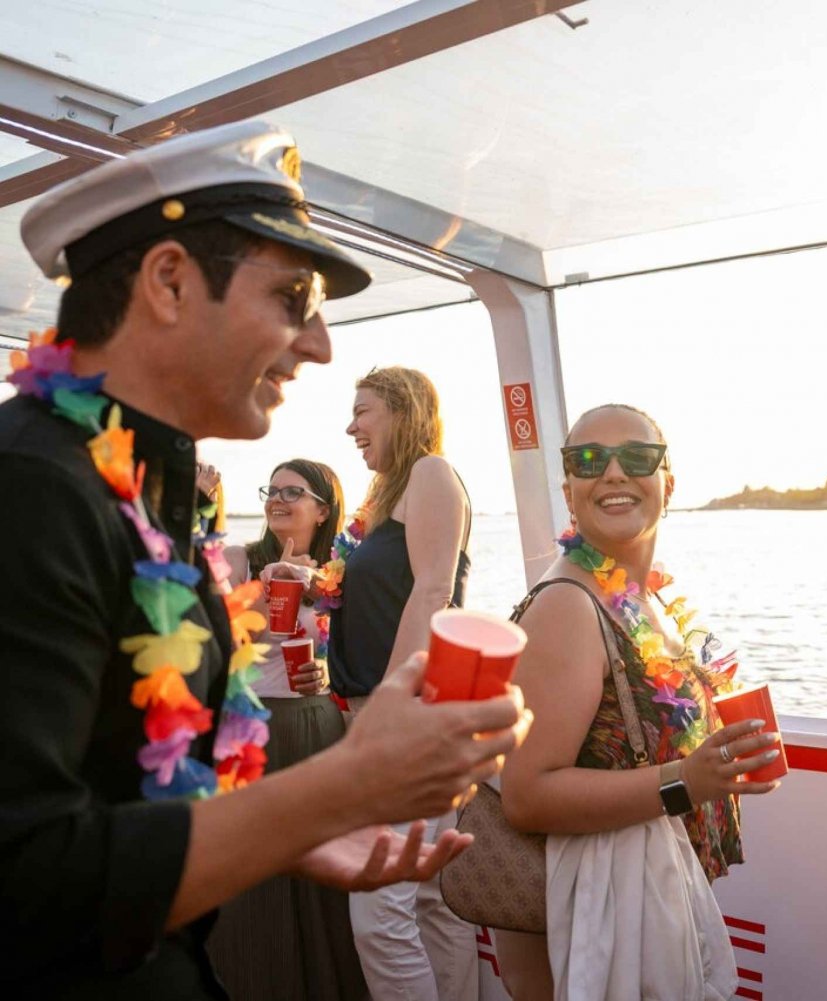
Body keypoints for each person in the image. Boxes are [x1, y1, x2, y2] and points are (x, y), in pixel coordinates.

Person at [0, 121, 528, 1000]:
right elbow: (24, 879)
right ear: (169, 281)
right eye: (293, 296)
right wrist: (335, 789)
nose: (318, 343)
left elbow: (124, 782)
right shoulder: (30, 488)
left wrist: (289, 832)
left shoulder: (140, 494)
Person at [494, 403, 781, 999]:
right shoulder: (569, 606)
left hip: (651, 899)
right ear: (570, 491)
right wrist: (686, 781)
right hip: (600, 923)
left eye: (638, 457)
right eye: (589, 461)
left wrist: (719, 766)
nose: (615, 473)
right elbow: (527, 795)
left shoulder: (639, 599)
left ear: (667, 484)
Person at [328, 366, 478, 1000]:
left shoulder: (431, 474)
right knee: (427, 900)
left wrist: (388, 706)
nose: (351, 426)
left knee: (379, 911)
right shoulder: (388, 495)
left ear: (402, 409)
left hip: (411, 708)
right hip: (397, 707)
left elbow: (434, 589)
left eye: (363, 411)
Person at [206, 459, 367, 999]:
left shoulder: (342, 574)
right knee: (254, 874)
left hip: (315, 725)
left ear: (322, 508)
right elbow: (185, 575)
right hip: (249, 727)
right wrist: (209, 508)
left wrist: (326, 666)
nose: (277, 499)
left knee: (319, 870)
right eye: (270, 490)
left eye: (291, 492)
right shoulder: (240, 560)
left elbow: (362, 648)